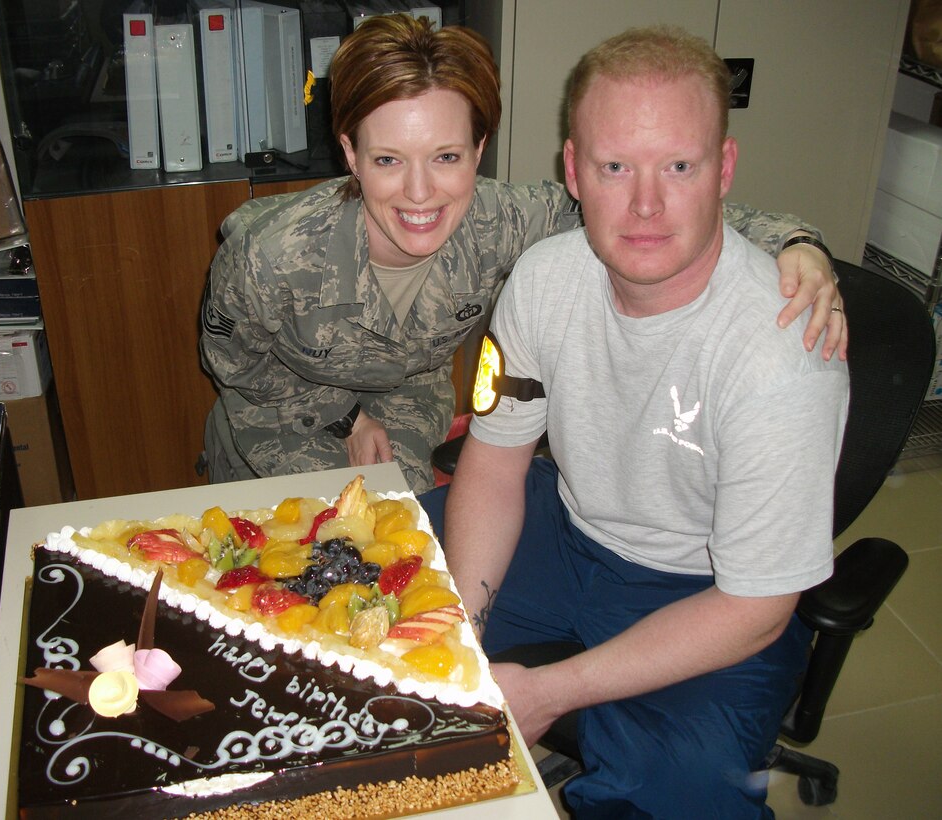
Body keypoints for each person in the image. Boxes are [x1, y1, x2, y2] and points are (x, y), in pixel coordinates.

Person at [421, 24, 850, 818]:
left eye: (677, 167)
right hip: (567, 528)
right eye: (615, 166)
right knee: (383, 589)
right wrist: (460, 629)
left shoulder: (783, 354)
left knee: (678, 792)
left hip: (710, 591)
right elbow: (494, 462)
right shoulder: (544, 279)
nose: (645, 204)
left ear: (722, 170)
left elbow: (756, 607)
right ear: (573, 171)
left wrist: (549, 690)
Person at [200, 14, 844, 495]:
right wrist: (345, 416)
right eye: (389, 160)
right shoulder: (272, 254)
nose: (420, 194)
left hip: (400, 408)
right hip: (280, 415)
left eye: (446, 157)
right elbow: (236, 366)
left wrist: (796, 243)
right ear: (350, 154)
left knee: (399, 573)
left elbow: (646, 211)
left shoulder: (501, 219)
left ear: (478, 152)